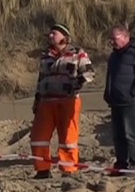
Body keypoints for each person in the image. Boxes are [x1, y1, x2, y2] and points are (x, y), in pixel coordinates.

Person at [30, 23, 95, 178]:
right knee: (39, 138)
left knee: (68, 138)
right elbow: (41, 79)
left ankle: (69, 169)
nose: (51, 36)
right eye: (50, 34)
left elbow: (89, 74)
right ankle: (42, 169)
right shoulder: (46, 56)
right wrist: (37, 99)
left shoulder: (77, 53)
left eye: (54, 33)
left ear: (64, 37)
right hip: (46, 102)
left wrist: (75, 85)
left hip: (68, 100)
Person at [102, 24, 135, 175]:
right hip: (115, 101)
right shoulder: (114, 56)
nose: (112, 42)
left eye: (115, 39)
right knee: (118, 135)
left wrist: (134, 91)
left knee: (131, 133)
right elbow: (111, 76)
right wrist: (108, 92)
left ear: (125, 37)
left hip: (131, 101)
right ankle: (121, 163)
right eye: (110, 39)